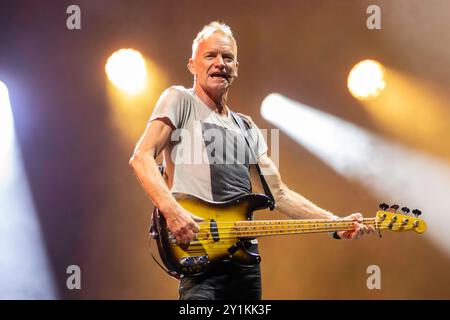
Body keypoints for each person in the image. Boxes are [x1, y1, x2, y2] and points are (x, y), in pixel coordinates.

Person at [129, 21, 375, 300]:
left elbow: (279, 195)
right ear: (192, 66)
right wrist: (172, 212)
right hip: (199, 261)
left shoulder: (247, 128)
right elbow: (141, 157)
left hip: (245, 264)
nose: (220, 63)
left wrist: (335, 223)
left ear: (236, 68)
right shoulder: (179, 99)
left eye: (228, 57)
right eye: (210, 56)